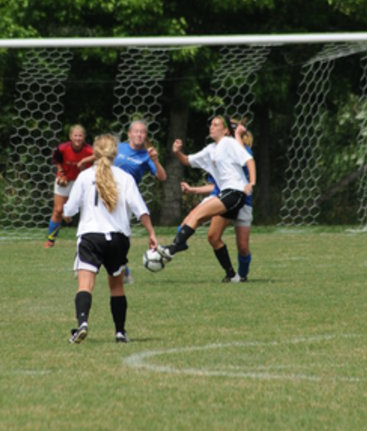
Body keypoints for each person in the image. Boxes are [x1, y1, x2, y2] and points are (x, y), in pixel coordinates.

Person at [63, 133, 158, 344]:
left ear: (94, 153)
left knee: (85, 285)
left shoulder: (85, 176)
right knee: (116, 287)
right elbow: (141, 209)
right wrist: (151, 233)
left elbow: (69, 209)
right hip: (118, 238)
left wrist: (66, 214)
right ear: (115, 153)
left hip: (90, 236)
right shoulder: (125, 178)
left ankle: (83, 323)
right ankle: (120, 332)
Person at [157, 116, 256, 281]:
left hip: (236, 194)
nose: (211, 127)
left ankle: (172, 249)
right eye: (211, 124)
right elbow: (188, 160)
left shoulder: (230, 143)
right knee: (213, 236)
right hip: (227, 195)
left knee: (198, 216)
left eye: (216, 124)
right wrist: (177, 152)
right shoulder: (211, 150)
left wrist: (251, 182)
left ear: (226, 130)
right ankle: (231, 275)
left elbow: (249, 160)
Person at [113, 119, 167, 283]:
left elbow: (162, 177)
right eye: (136, 131)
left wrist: (155, 160)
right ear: (129, 134)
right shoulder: (118, 147)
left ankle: (124, 270)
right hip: (108, 194)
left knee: (120, 236)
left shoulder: (146, 155)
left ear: (146, 136)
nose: (139, 134)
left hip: (127, 199)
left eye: (142, 132)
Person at [45, 124, 94, 248]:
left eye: (80, 136)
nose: (78, 138)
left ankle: (88, 240)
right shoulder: (62, 148)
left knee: (88, 210)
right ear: (70, 137)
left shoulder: (89, 150)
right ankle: (50, 241)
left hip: (81, 182)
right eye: (75, 135)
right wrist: (60, 172)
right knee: (58, 210)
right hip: (65, 180)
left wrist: (84, 161)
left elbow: (100, 156)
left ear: (84, 137)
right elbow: (56, 159)